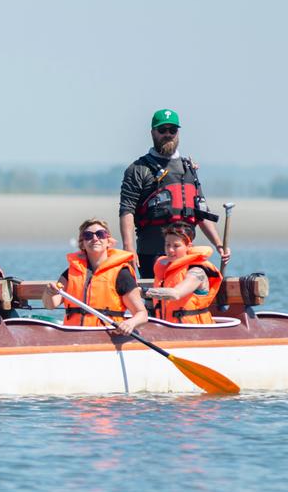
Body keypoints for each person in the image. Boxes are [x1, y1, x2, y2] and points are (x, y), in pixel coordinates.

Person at [118, 108, 229, 282]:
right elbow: (127, 211)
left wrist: (219, 244)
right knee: (159, 298)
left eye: (172, 130)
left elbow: (200, 211)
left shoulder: (188, 168)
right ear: (153, 132)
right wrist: (128, 248)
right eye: (162, 130)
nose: (168, 134)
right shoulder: (138, 169)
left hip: (185, 251)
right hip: (152, 252)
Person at [42, 218, 148, 333]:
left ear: (108, 241)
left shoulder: (121, 274)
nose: (95, 238)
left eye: (100, 234)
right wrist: (49, 293)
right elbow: (50, 305)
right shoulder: (71, 273)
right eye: (88, 235)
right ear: (82, 243)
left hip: (107, 335)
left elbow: (141, 314)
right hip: (73, 335)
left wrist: (129, 323)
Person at [145, 223, 223, 324]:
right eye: (167, 245)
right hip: (167, 327)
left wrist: (142, 292)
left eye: (176, 246)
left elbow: (176, 294)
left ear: (188, 246)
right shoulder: (166, 270)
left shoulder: (196, 271)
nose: (170, 250)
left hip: (195, 330)